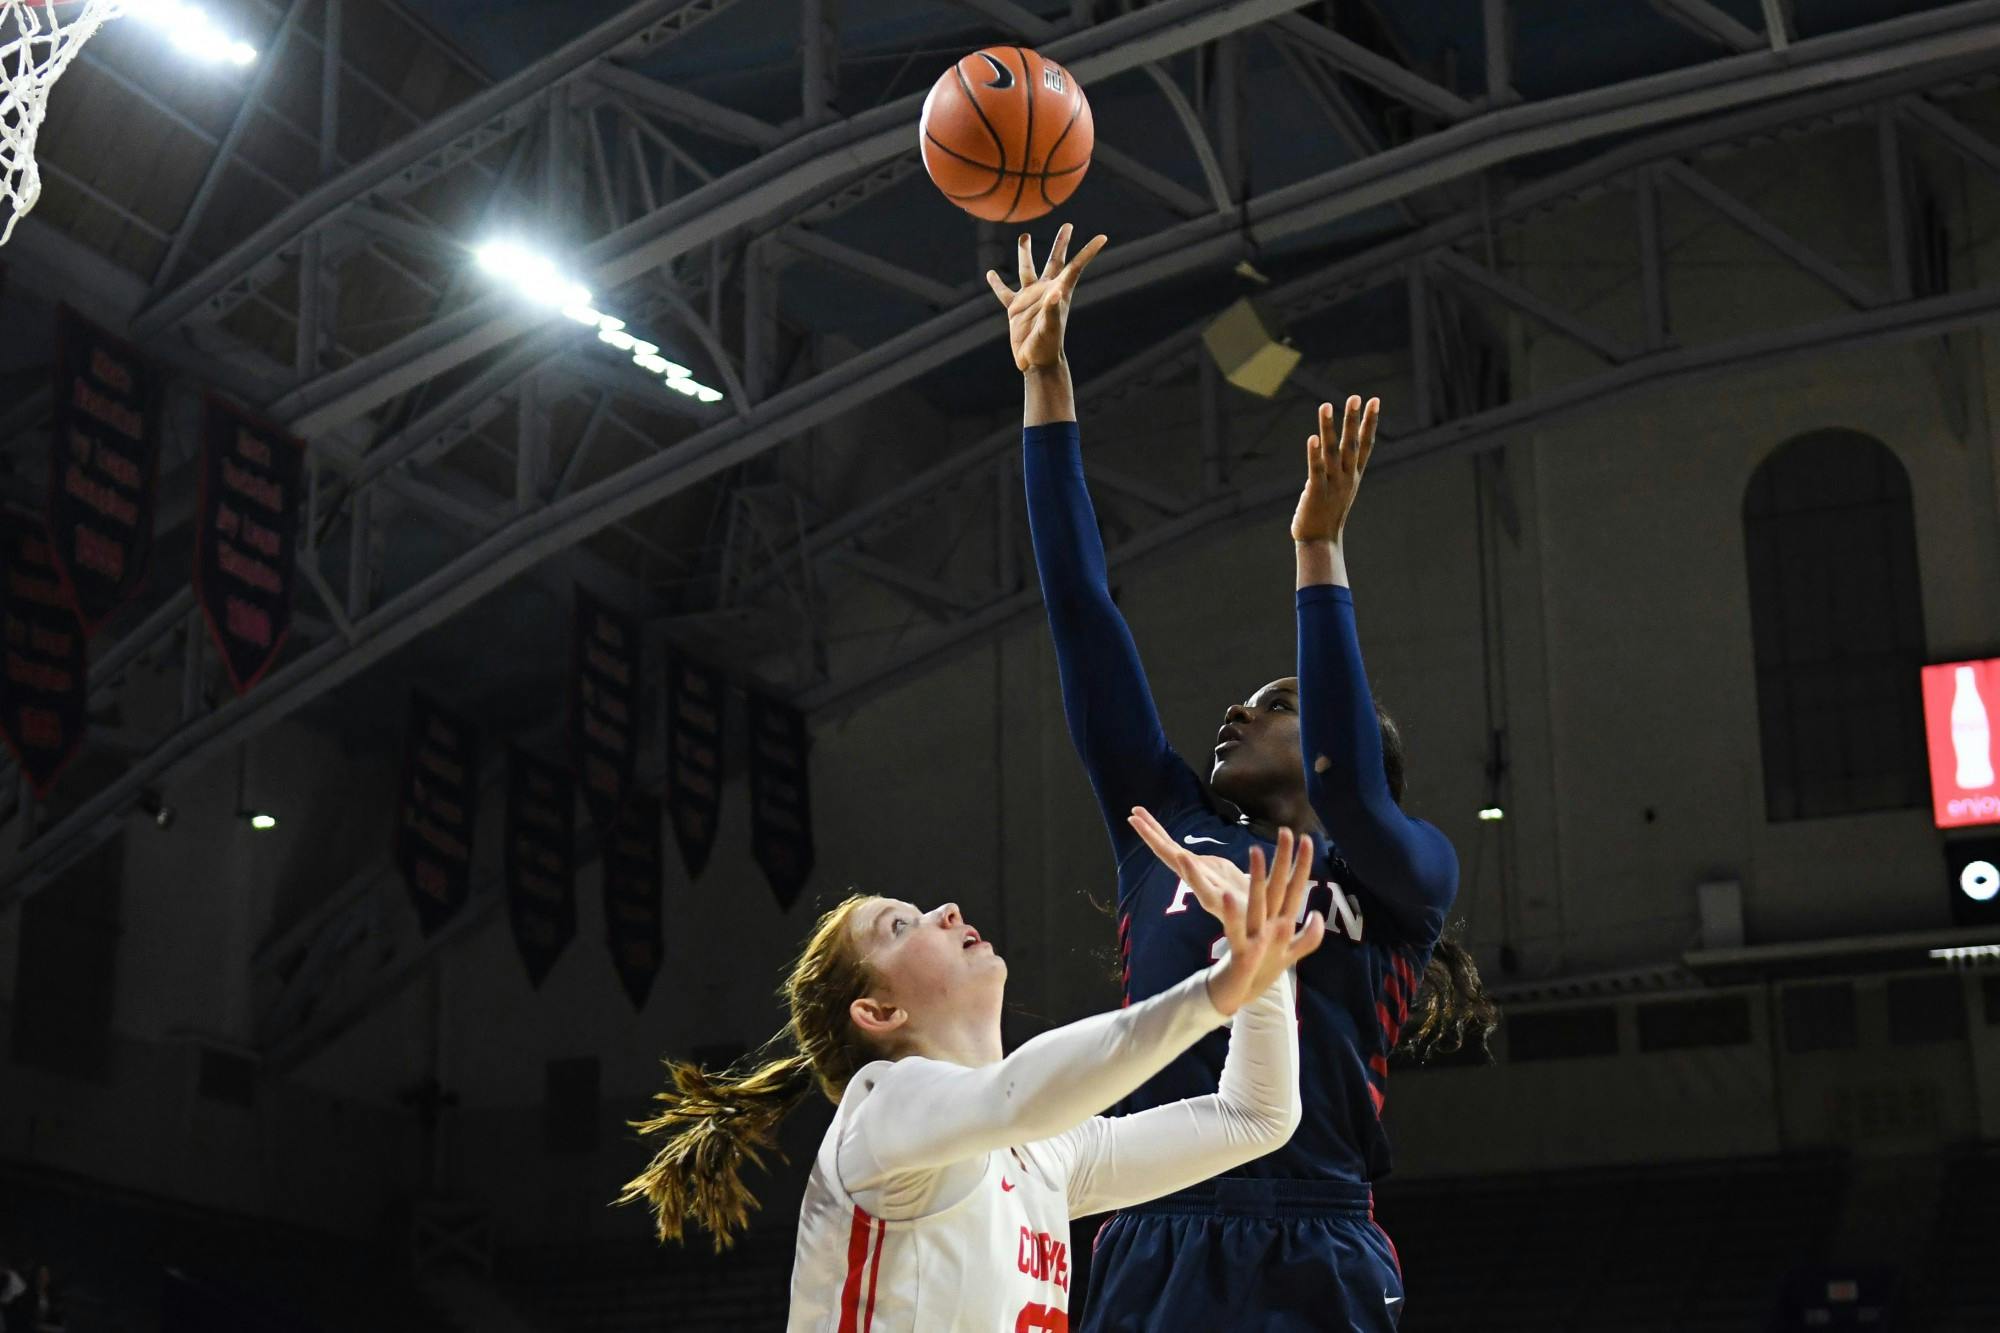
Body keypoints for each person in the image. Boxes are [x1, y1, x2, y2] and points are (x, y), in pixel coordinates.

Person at [990, 224, 1497, 1331]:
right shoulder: (1166, 826)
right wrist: (1046, 383)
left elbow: (1345, 784)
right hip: (1154, 1221)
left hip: (1316, 1231)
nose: (1238, 710)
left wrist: (1318, 551)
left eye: (1276, 702)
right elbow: (1081, 611)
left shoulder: (1401, 872)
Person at [619, 808, 1327, 1331]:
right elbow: (1017, 1094)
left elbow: (1256, 1118)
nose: (946, 910)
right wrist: (1216, 990)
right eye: (900, 926)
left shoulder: (1048, 1153)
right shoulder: (879, 1111)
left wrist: (1264, 970)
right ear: (878, 1011)